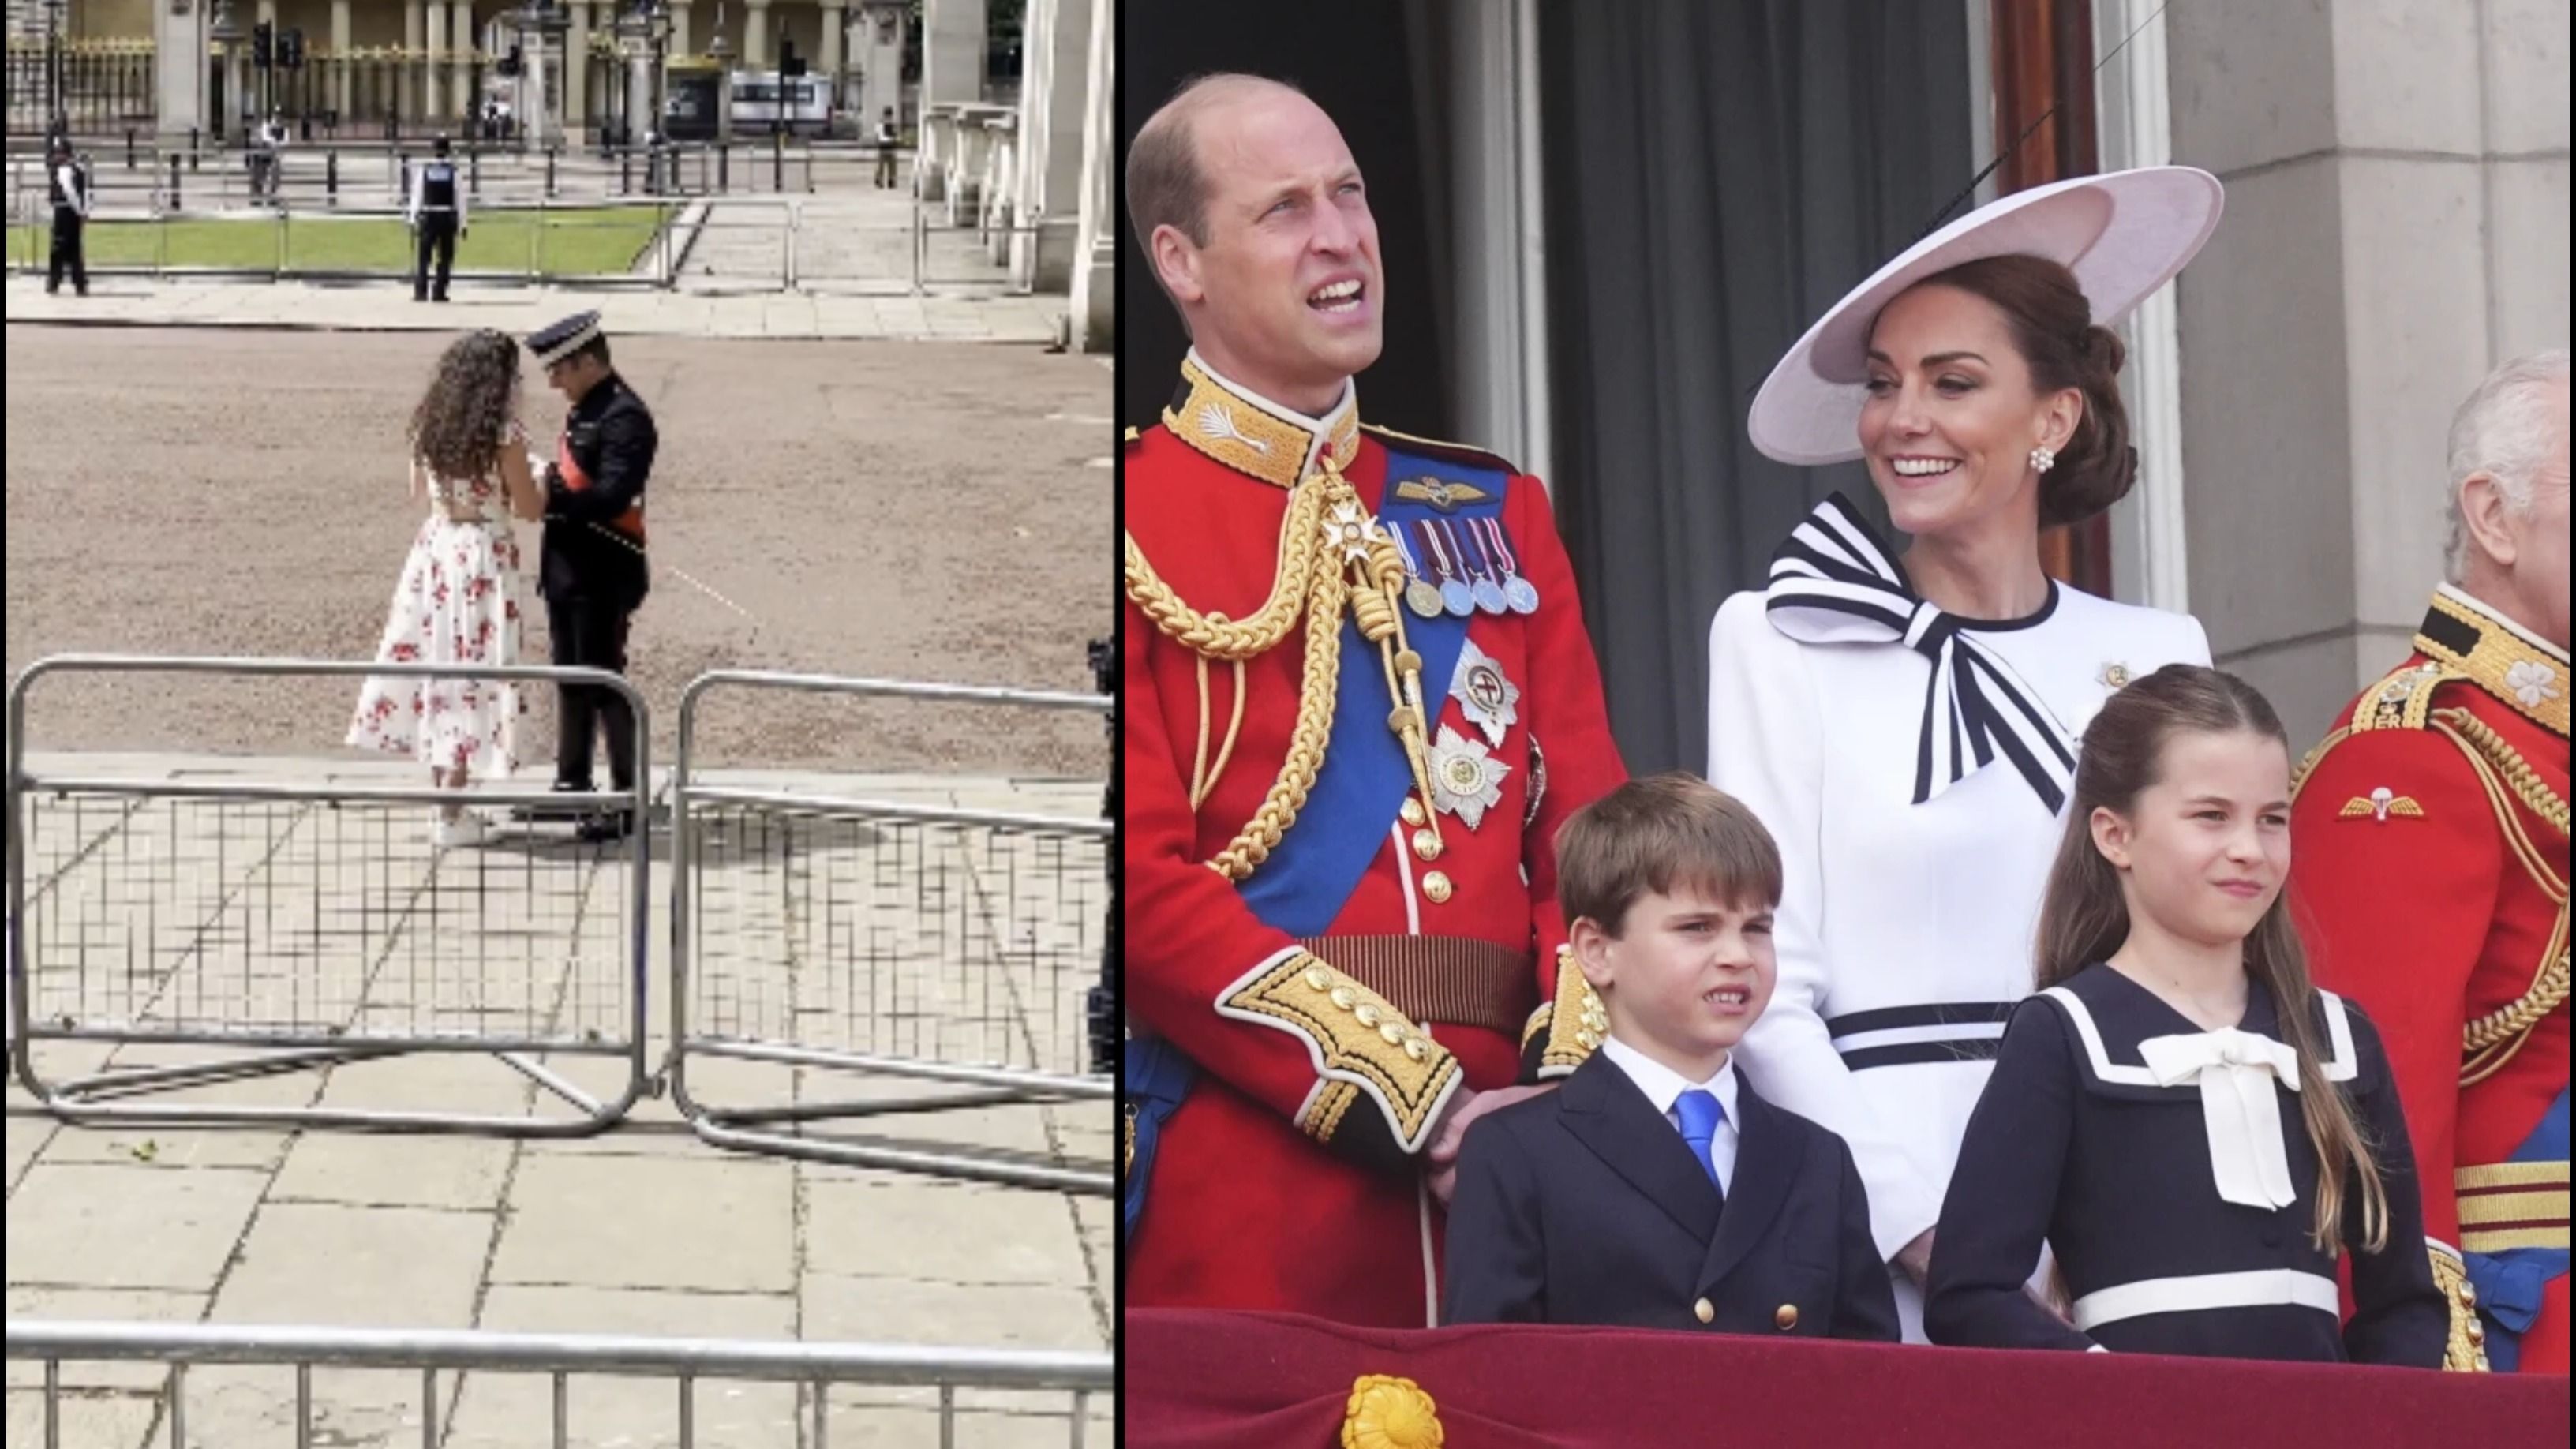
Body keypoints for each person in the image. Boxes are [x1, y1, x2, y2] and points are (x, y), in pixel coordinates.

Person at [1121, 73, 1627, 1327]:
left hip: (1520, 1181)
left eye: (1348, 192)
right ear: (1180, 259)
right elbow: (1135, 877)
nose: (1342, 235)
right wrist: (1418, 1098)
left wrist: (1552, 1100)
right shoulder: (1132, 516)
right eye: (1286, 209)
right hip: (1250, 1182)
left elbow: (1596, 842)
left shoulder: (1496, 512)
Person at [1705, 167, 2226, 1339]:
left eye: (1954, 383)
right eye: (1885, 387)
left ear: (2054, 418)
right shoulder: (1781, 637)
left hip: (2126, 1196)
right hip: (1875, 1216)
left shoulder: (2158, 653)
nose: (1903, 421)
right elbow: (1764, 983)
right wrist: (1933, 1233)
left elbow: (2194, 961)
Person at [1924, 665, 2447, 1365]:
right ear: (2115, 836)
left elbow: (2404, 1302)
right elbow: (1969, 1294)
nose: (2249, 850)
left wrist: (2372, 1424)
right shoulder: (2063, 1034)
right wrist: (2105, 1394)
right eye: (2211, 816)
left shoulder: (2339, 1039)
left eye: (2272, 820)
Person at [2290, 350, 2570, 1373]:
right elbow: (2374, 1113)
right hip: (2525, 1338)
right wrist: (2423, 1379)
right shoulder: (2411, 753)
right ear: (2493, 518)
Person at [1443, 774, 1900, 1339]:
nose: (1738, 955)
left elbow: (1871, 1387)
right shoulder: (1516, 1151)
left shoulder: (1819, 1161)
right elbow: (1489, 1381)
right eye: (1697, 928)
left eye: (1757, 928)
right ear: (1596, 951)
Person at [348, 331, 546, 848]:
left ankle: (444, 798)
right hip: (481, 552)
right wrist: (536, 477)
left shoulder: (430, 425)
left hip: (436, 549)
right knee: (473, 667)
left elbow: (417, 490)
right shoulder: (502, 433)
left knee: (438, 662)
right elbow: (529, 508)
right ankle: (453, 806)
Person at [522, 310, 657, 844]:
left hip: (603, 572)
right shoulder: (588, 410)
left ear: (587, 361)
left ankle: (628, 799)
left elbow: (613, 495)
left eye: (560, 370)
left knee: (605, 684)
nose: (553, 382)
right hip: (568, 570)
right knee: (570, 678)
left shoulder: (625, 416)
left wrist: (550, 494)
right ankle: (571, 782)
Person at [407, 135, 468, 303]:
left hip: (428, 217)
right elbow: (460, 200)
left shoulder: (424, 170)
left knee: (424, 257)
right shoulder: (454, 172)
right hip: (447, 217)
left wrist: (412, 218)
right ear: (448, 151)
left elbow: (417, 196)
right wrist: (463, 224)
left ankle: (421, 291)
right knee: (446, 257)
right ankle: (439, 290)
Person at [45, 135, 88, 298]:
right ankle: (80, 283)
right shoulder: (78, 168)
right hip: (72, 211)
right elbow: (84, 192)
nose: (56, 155)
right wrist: (83, 211)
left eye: (58, 152)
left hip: (64, 211)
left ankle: (54, 281)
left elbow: (70, 192)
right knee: (75, 248)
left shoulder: (64, 169)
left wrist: (80, 211)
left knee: (58, 247)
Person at [874, 107, 900, 189]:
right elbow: (895, 135)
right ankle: (890, 180)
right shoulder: (892, 124)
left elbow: (877, 135)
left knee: (882, 166)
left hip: (883, 146)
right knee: (891, 166)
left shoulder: (880, 123)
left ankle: (881, 180)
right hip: (889, 146)